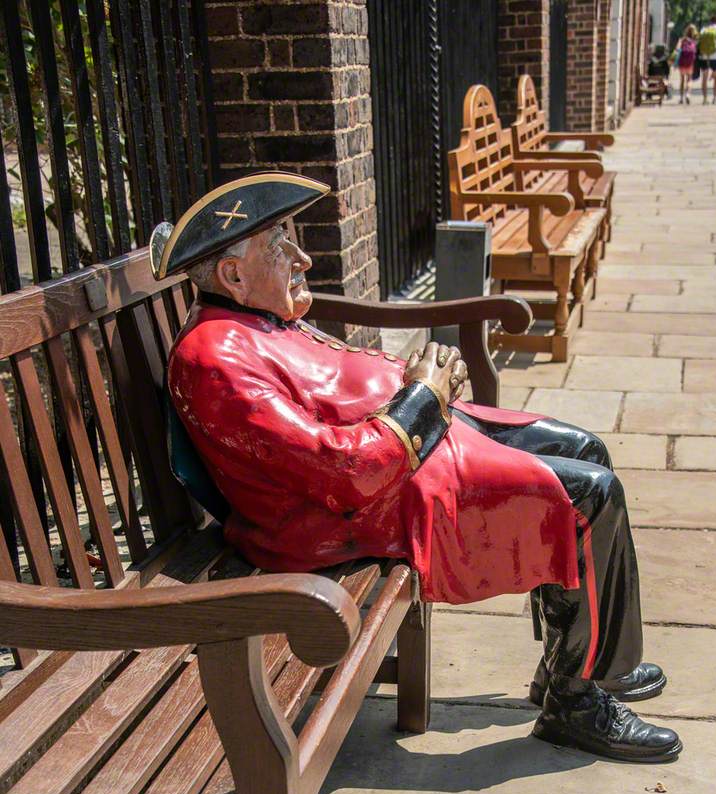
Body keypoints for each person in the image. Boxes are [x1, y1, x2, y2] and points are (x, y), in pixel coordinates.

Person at [152, 172, 683, 764]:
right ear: (232, 275)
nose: (302, 258)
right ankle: (576, 702)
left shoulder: (260, 318)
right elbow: (344, 473)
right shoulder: (216, 358)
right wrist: (423, 395)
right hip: (364, 509)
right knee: (591, 496)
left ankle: (575, 665)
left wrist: (425, 387)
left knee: (586, 450)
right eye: (281, 245)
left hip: (416, 450)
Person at [697, 15, 716, 104]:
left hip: (704, 56)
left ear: (710, 21)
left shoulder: (703, 30)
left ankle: (705, 99)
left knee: (704, 78)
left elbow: (699, 43)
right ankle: (715, 98)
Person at [674, 25, 698, 105]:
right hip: (690, 62)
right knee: (689, 79)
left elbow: (677, 49)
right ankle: (688, 94)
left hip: (682, 61)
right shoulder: (694, 40)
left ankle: (681, 98)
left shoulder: (682, 39)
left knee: (682, 79)